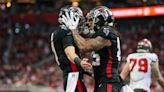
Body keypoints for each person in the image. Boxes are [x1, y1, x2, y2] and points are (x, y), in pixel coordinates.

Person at [61, 6, 124, 92]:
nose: (88, 23)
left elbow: (84, 47)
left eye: (91, 20)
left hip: (108, 81)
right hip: (102, 81)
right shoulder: (103, 33)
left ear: (100, 19)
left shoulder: (107, 31)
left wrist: (73, 29)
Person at [51, 5, 92, 92]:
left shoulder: (59, 31)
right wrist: (79, 62)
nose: (80, 23)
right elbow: (70, 53)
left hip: (71, 75)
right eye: (78, 19)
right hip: (73, 76)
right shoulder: (65, 31)